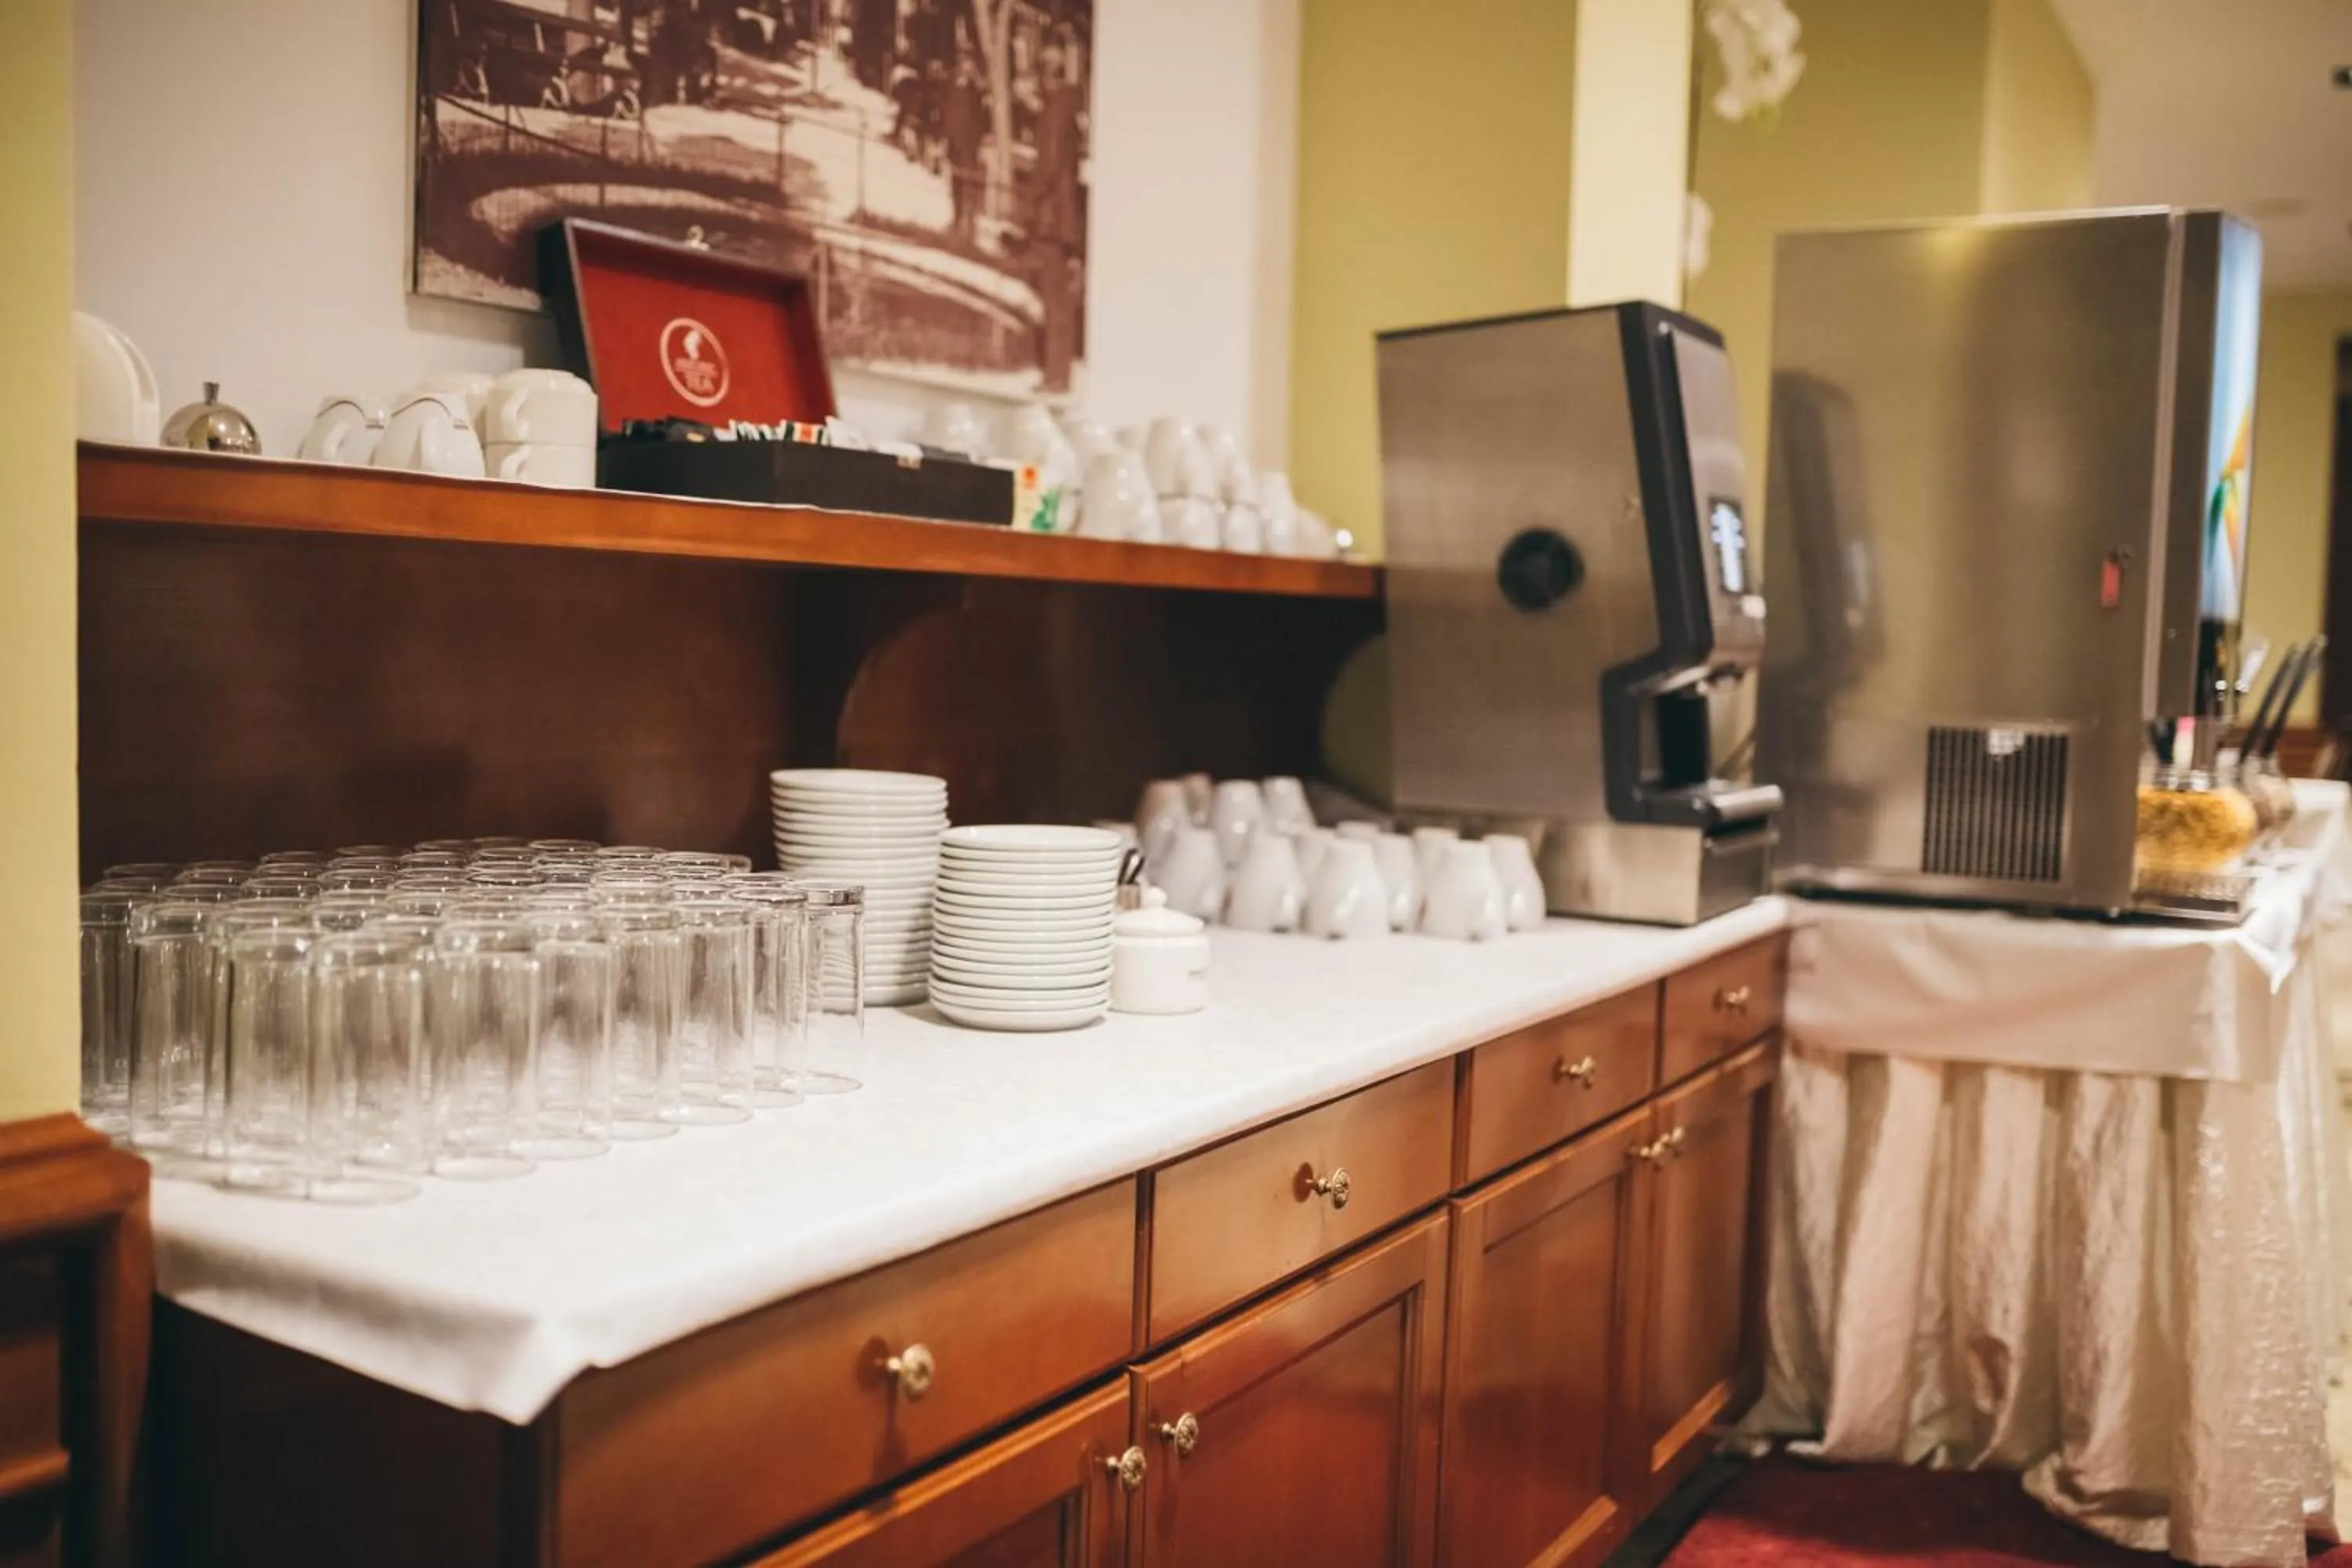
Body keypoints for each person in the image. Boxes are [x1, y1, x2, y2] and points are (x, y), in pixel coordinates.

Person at [1029, 29, 1084, 389]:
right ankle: (1058, 373)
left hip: (1053, 216)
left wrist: (1030, 199)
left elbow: (1048, 165)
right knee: (1060, 298)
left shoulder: (1055, 110)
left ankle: (1055, 376)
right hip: (1066, 217)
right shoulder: (1070, 107)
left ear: (1049, 73)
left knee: (1054, 298)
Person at [942, 50, 989, 244]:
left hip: (969, 144)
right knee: (956, 183)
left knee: (968, 183)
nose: (967, 67)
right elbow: (947, 112)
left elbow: (983, 119)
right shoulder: (951, 85)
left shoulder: (976, 90)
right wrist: (944, 138)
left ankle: (969, 226)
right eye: (964, 62)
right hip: (954, 143)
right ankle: (956, 219)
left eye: (970, 63)